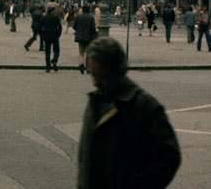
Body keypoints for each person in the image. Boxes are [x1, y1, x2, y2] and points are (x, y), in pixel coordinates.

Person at [77, 37, 180, 189]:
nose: (95, 82)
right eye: (93, 75)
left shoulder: (145, 106)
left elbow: (169, 158)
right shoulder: (95, 101)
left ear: (121, 72)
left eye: (102, 76)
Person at [73, 5, 97, 74]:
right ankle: (88, 68)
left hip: (80, 37)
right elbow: (93, 28)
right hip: (89, 37)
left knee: (81, 52)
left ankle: (81, 64)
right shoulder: (91, 17)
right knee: (89, 53)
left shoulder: (78, 17)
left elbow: (74, 27)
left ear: (82, 10)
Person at [41, 5, 62, 72]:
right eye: (54, 10)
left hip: (46, 36)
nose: (55, 11)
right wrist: (58, 35)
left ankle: (48, 67)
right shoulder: (56, 18)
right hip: (54, 36)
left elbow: (40, 27)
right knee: (56, 51)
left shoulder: (44, 17)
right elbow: (60, 27)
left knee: (47, 52)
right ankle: (54, 61)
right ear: (52, 11)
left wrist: (42, 35)